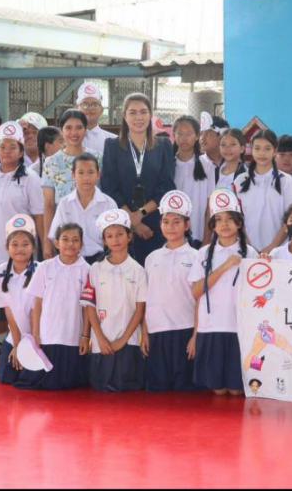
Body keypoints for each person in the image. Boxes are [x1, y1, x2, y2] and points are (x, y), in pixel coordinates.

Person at [0, 122, 43, 357]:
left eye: (12, 147)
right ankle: (1, 341)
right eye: (2, 146)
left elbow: (39, 215)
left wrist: (42, 248)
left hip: (21, 253)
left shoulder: (31, 179)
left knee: (22, 301)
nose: (6, 151)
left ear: (21, 150)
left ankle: (24, 342)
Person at [189, 189, 253, 395]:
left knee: (236, 390)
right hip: (211, 327)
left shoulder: (251, 253)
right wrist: (224, 267)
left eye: (229, 219)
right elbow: (196, 292)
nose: (224, 224)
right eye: (218, 219)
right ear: (213, 225)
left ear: (239, 223)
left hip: (239, 328)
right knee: (217, 390)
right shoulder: (203, 253)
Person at [101, 93, 176, 265]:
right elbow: (109, 187)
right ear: (124, 116)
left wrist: (140, 215)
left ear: (150, 115)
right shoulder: (112, 146)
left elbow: (166, 186)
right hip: (121, 225)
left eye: (143, 112)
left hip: (154, 224)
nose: (138, 117)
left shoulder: (163, 145)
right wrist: (132, 222)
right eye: (133, 112)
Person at [17, 223, 90, 390]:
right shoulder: (45, 267)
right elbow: (37, 303)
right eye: (65, 239)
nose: (70, 244)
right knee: (43, 382)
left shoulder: (87, 269)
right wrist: (36, 332)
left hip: (72, 333)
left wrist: (85, 336)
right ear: (57, 243)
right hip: (47, 333)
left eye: (75, 240)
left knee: (69, 384)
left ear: (81, 244)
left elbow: (87, 308)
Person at [82, 209, 147, 392]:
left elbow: (140, 310)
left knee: (127, 393)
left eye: (120, 234)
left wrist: (122, 340)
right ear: (104, 241)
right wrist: (100, 338)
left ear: (129, 236)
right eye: (109, 236)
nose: (115, 239)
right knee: (100, 392)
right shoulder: (95, 269)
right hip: (101, 344)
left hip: (129, 343)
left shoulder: (138, 271)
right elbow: (89, 307)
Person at [143, 190, 199, 392]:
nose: (171, 227)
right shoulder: (151, 258)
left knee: (185, 394)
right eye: (166, 222)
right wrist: (144, 333)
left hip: (186, 330)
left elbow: (201, 300)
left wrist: (195, 336)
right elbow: (145, 299)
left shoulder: (197, 257)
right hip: (157, 332)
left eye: (177, 222)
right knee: (158, 394)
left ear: (187, 225)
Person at [233, 129, 292, 254]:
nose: (262, 153)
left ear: (275, 151)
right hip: (247, 250)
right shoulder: (240, 181)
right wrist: (250, 248)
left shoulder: (286, 181)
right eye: (257, 148)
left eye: (267, 148)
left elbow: (291, 218)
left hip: (279, 252)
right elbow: (237, 218)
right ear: (251, 149)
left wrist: (272, 248)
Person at [41, 110, 100, 242]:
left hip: (94, 230)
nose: (74, 132)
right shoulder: (51, 162)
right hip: (64, 234)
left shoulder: (98, 158)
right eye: (68, 128)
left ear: (85, 130)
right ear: (61, 130)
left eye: (79, 127)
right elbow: (49, 204)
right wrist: (47, 242)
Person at [0, 215, 38, 385]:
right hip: (16, 335)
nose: (20, 249)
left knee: (31, 378)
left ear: (33, 247)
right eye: (15, 244)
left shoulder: (42, 270)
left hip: (38, 335)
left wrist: (31, 344)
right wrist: (18, 345)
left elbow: (38, 310)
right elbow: (8, 310)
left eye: (25, 244)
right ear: (7, 247)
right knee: (7, 376)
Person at [46, 153, 117, 261]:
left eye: (91, 172)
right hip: (71, 259)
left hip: (101, 259)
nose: (86, 178)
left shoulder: (108, 204)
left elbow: (115, 238)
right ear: (73, 175)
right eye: (81, 173)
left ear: (98, 175)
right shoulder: (65, 204)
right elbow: (55, 235)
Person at [172, 115, 215, 246]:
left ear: (197, 136)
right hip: (172, 234)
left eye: (189, 134)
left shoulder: (207, 165)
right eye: (180, 134)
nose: (184, 138)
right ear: (174, 135)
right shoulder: (168, 164)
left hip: (198, 234)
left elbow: (210, 206)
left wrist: (207, 238)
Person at [76, 82, 116, 156]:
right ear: (77, 108)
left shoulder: (113, 140)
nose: (90, 108)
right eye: (85, 104)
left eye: (95, 104)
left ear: (101, 110)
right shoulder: (68, 139)